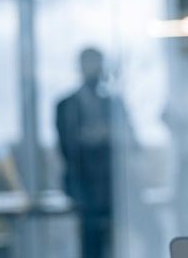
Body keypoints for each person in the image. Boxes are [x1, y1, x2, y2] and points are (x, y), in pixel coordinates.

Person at [56, 48, 134, 258]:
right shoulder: (66, 106)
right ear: (80, 67)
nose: (94, 70)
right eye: (89, 64)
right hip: (84, 188)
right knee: (91, 243)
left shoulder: (113, 104)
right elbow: (67, 148)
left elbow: (131, 141)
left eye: (97, 64)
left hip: (112, 187)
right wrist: (97, 136)